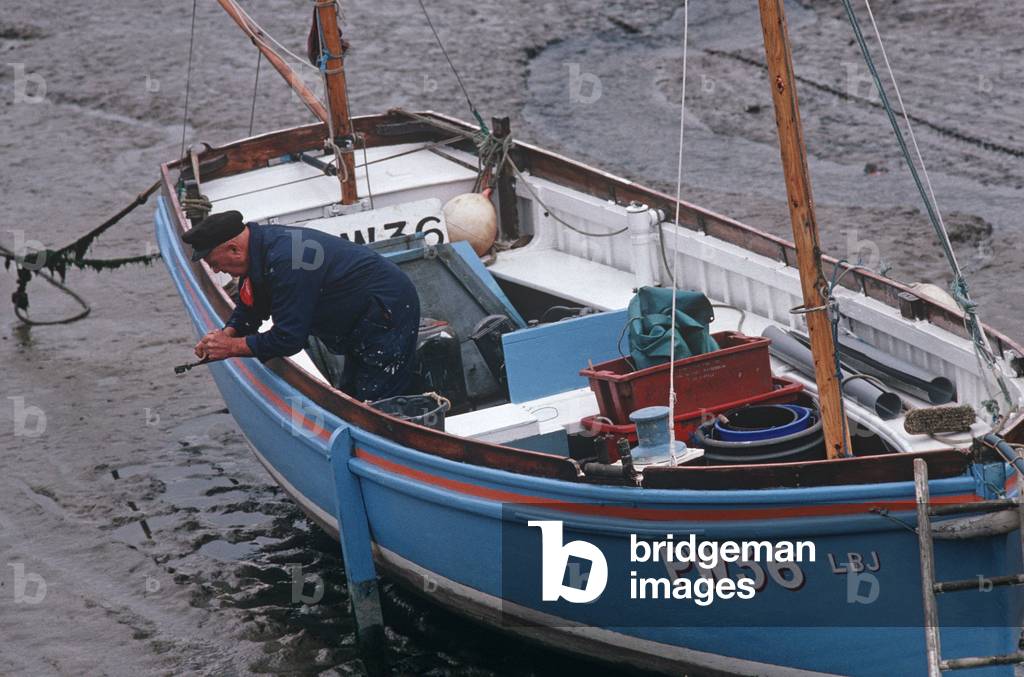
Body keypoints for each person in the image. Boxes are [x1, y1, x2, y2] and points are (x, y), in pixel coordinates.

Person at [184, 210, 420, 401]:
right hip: (353, 315)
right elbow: (251, 307)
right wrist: (226, 335)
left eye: (214, 263)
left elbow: (288, 339)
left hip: (386, 310)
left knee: (377, 401)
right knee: (352, 394)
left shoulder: (287, 261)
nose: (215, 270)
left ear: (234, 249)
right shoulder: (257, 249)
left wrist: (231, 348)